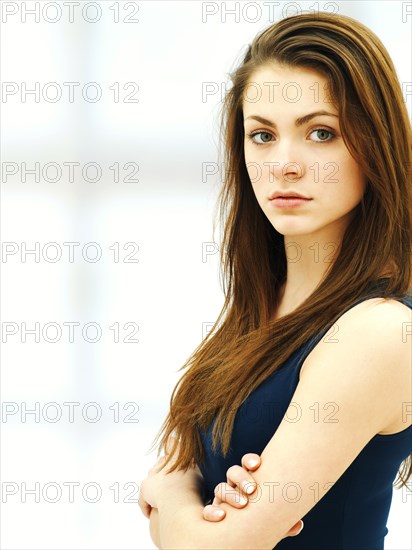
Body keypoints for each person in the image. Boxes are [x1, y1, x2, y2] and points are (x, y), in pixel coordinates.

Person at [138, 11, 412, 549]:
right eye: (262, 135)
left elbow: (210, 538)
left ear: (374, 144)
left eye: (321, 133)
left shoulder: (381, 332)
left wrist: (169, 497)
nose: (284, 164)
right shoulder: (261, 310)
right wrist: (187, 503)